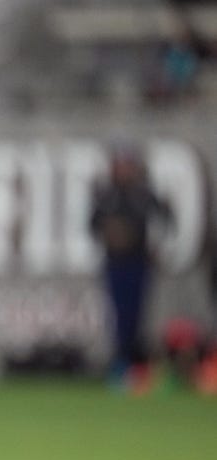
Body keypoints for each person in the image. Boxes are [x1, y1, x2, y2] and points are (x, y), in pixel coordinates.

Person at [89, 144, 171, 392]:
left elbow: (165, 221)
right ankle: (121, 367)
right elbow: (92, 225)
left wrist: (157, 247)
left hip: (138, 261)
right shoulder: (106, 195)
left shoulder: (144, 194)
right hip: (115, 262)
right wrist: (109, 234)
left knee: (138, 315)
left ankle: (138, 368)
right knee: (119, 315)